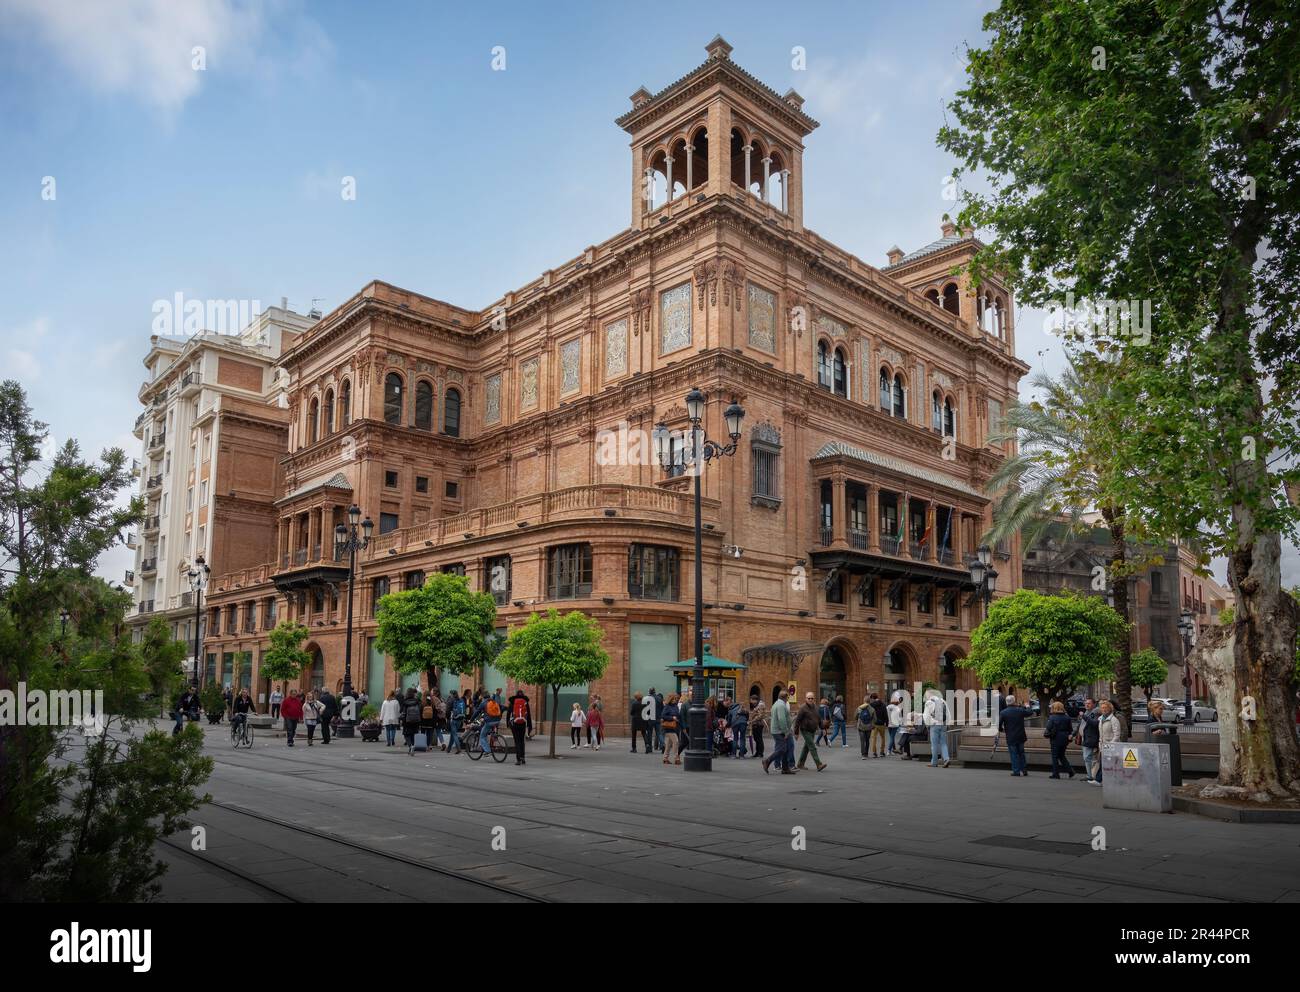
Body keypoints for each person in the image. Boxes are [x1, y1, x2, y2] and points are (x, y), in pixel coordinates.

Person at [998, 694, 1035, 776]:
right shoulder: (1020, 710)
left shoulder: (1003, 712)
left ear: (1006, 702)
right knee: (1021, 753)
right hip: (1021, 736)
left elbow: (999, 725)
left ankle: (1016, 771)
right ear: (1014, 701)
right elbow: (1030, 712)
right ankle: (1024, 770)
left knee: (1013, 754)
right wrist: (1027, 706)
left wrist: (1002, 730)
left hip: (1011, 737)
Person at [762, 688, 794, 774]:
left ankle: (785, 768)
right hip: (780, 731)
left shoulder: (776, 704)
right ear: (786, 697)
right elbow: (781, 719)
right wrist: (786, 731)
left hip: (778, 730)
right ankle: (767, 760)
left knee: (786, 749)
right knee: (782, 749)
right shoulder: (781, 705)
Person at [796, 692, 828, 772]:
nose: (810, 700)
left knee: (806, 747)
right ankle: (818, 764)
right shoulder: (803, 708)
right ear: (805, 699)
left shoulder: (815, 707)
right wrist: (796, 733)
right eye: (808, 698)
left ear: (814, 699)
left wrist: (823, 728)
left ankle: (800, 764)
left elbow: (819, 719)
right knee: (812, 746)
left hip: (812, 730)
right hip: (805, 730)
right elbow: (797, 721)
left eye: (812, 698)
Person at [1045, 700, 1075, 778]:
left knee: (1055, 756)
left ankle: (1056, 773)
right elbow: (1070, 729)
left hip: (1055, 738)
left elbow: (1048, 728)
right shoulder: (1067, 717)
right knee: (1061, 755)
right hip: (1065, 738)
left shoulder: (1052, 717)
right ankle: (1070, 771)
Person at [1076, 697, 1101, 783]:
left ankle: (1091, 776)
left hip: (1091, 738)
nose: (1086, 705)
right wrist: (1072, 734)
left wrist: (1084, 716)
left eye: (1089, 703)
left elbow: (1094, 724)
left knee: (1088, 757)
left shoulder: (1095, 712)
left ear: (1094, 704)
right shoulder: (1087, 712)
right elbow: (1080, 725)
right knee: (1087, 757)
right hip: (1085, 738)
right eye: (1086, 703)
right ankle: (1090, 775)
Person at [923, 688, 950, 768]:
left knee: (934, 745)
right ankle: (946, 759)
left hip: (934, 725)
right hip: (943, 724)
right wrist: (947, 723)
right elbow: (948, 713)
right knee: (943, 743)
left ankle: (934, 762)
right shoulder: (943, 701)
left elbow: (926, 716)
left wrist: (928, 724)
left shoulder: (929, 702)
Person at [1096, 699, 1121, 784]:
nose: (1104, 709)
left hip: (1111, 746)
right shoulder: (1100, 719)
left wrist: (1111, 745)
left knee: (1108, 764)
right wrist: (1100, 744)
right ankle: (1101, 780)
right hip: (1103, 745)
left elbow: (1117, 734)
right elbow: (1101, 734)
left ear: (1110, 709)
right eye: (1102, 708)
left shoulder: (1113, 720)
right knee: (1105, 763)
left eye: (1106, 708)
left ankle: (1098, 780)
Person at [509, 689, 531, 765]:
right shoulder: (525, 702)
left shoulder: (513, 701)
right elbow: (529, 714)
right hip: (523, 723)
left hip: (515, 724)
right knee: (522, 741)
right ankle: (523, 758)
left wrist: (508, 724)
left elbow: (509, 713)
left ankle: (518, 759)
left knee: (517, 741)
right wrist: (529, 725)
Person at [661, 694, 682, 765]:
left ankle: (665, 758)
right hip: (668, 727)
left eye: (675, 699)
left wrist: (678, 719)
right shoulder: (667, 706)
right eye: (673, 699)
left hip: (675, 727)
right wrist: (672, 718)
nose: (675, 700)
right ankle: (676, 758)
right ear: (670, 699)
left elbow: (678, 715)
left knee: (668, 744)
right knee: (676, 742)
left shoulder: (676, 706)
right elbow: (663, 716)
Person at [479, 691, 502, 755]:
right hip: (497, 721)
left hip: (489, 722)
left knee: (482, 736)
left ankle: (487, 751)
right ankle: (493, 738)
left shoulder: (483, 703)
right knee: (488, 731)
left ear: (483, 697)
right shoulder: (494, 702)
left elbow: (477, 712)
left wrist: (471, 720)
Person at [446, 690, 465, 754]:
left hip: (453, 719)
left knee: (454, 734)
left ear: (452, 694)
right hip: (460, 719)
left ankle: (458, 748)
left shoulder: (451, 700)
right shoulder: (461, 700)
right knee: (453, 734)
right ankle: (448, 748)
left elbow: (448, 710)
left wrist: (447, 717)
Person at [869, 693, 889, 757]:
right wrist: (887, 723)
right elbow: (885, 714)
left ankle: (874, 753)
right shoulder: (883, 704)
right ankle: (882, 752)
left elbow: (870, 714)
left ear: (872, 698)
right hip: (882, 723)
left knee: (874, 738)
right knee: (883, 738)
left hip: (874, 724)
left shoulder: (871, 705)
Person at [854, 694, 874, 759]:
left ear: (864, 700)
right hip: (869, 727)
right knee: (867, 740)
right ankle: (866, 754)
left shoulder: (859, 708)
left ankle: (863, 754)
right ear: (869, 701)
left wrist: (858, 720)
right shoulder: (872, 709)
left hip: (861, 726)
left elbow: (855, 717)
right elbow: (875, 719)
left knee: (862, 740)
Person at [748, 695, 767, 759]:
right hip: (755, 724)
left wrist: (752, 720)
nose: (750, 702)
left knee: (759, 739)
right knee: (756, 739)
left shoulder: (761, 705)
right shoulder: (757, 705)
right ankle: (757, 752)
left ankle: (760, 753)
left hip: (759, 724)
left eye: (751, 700)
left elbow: (760, 715)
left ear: (754, 700)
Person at [642, 688, 659, 753]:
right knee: (658, 733)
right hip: (657, 718)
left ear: (649, 692)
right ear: (654, 691)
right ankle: (663, 745)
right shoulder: (659, 698)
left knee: (649, 733)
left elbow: (646, 709)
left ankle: (649, 748)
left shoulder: (647, 699)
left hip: (650, 718)